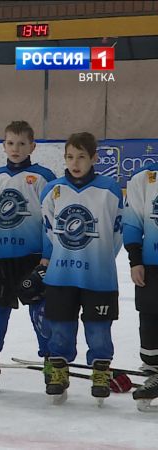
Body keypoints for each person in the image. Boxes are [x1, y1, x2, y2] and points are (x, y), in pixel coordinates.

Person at [35, 132, 123, 403]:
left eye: (82, 157)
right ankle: (59, 370)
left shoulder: (109, 189)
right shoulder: (53, 190)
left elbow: (116, 232)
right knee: (60, 326)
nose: (75, 163)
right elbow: (49, 230)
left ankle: (100, 371)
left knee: (99, 328)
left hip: (99, 275)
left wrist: (100, 258)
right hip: (61, 275)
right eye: (70, 157)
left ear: (94, 158)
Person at [0, 121, 56, 390]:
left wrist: (47, 257)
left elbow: (50, 222)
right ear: (3, 145)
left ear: (32, 146)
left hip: (33, 258)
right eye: (10, 143)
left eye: (21, 143)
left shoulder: (43, 177)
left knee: (41, 309)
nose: (16, 148)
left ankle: (52, 359)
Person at [122, 161, 158, 409]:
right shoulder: (144, 178)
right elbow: (132, 222)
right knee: (150, 318)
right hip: (151, 264)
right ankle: (153, 371)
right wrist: (135, 260)